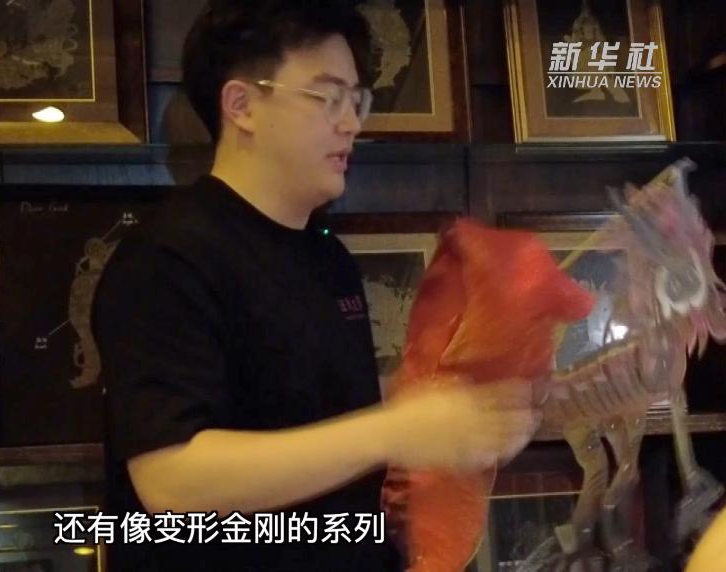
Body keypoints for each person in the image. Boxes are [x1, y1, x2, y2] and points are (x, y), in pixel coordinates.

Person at [91, 1, 539, 570]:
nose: (351, 123)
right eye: (328, 98)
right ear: (242, 105)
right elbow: (171, 478)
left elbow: (307, 406)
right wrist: (394, 430)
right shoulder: (167, 257)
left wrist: (449, 406)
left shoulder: (328, 258)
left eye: (356, 101)